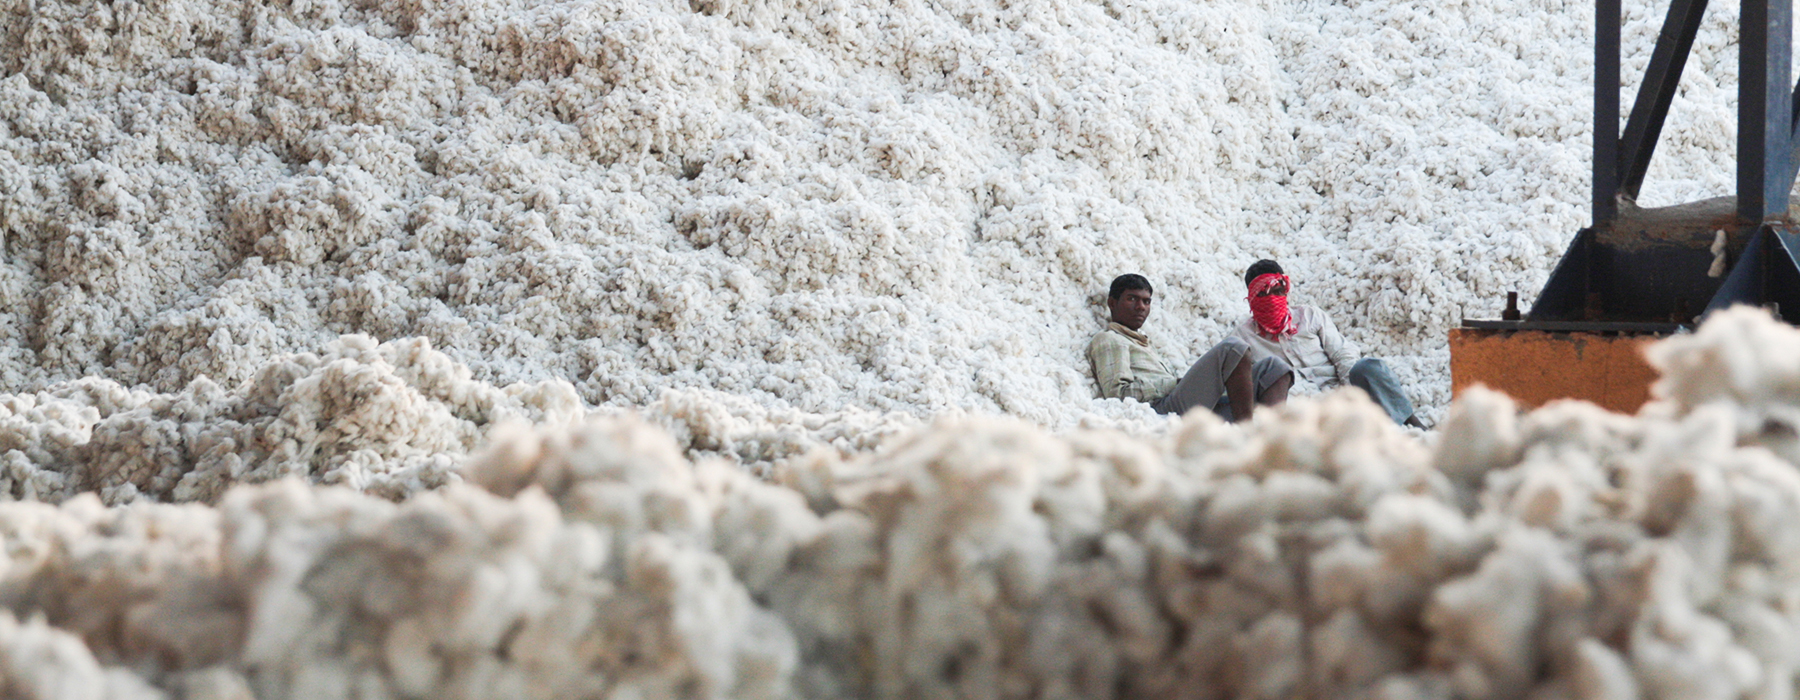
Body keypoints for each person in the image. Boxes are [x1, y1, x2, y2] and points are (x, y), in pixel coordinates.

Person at [1231, 259, 1426, 428]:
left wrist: (1349, 394)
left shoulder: (1310, 316)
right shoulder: (1242, 338)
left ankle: (1409, 422)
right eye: (1266, 294)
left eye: (1279, 291)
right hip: (1301, 410)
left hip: (1340, 393)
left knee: (1369, 367)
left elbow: (1342, 354)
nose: (1274, 299)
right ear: (1252, 299)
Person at [1088, 274, 1293, 421]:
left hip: (1182, 405)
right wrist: (1171, 383)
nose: (1141, 306)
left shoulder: (1141, 341)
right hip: (1161, 410)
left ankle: (1272, 438)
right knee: (1233, 348)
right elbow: (1117, 394)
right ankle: (1247, 437)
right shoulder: (1110, 339)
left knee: (1274, 368)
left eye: (1146, 301)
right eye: (1132, 299)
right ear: (1112, 303)